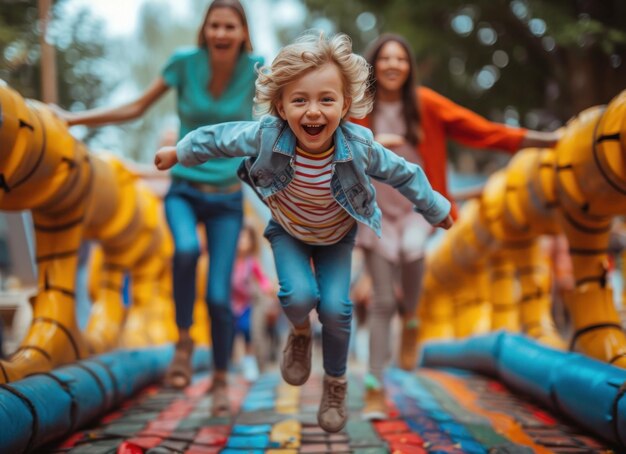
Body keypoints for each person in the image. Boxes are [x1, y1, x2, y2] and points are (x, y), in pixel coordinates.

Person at [155, 32, 453, 433]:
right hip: (290, 232)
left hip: (336, 238)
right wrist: (180, 151)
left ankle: (335, 380)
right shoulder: (267, 134)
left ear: (345, 105)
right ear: (281, 105)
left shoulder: (359, 144)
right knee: (298, 297)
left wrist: (434, 208)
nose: (313, 112)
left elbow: (404, 172)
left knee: (335, 308)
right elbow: (221, 138)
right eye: (300, 100)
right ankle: (298, 330)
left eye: (326, 100)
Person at [53, 0, 262, 416]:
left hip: (226, 200)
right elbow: (136, 107)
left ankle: (221, 379)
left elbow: (287, 105)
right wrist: (75, 120)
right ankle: (183, 342)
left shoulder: (257, 69)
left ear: (243, 33)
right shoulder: (183, 64)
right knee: (184, 251)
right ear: (205, 31)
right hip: (184, 189)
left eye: (230, 27)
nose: (221, 33)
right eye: (215, 25)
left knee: (220, 297)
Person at [350, 33, 561, 421]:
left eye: (401, 59)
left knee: (413, 255)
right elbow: (330, 142)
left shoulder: (425, 104)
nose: (393, 65)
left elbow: (480, 130)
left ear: (409, 67)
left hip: (417, 208)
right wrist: (373, 142)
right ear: (373, 65)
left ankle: (411, 320)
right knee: (380, 302)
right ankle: (375, 389)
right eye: (385, 59)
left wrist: (545, 141)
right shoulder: (357, 108)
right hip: (373, 210)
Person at [231, 222, 275, 382]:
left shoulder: (251, 262)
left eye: (245, 238)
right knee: (232, 334)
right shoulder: (230, 261)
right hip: (231, 304)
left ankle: (249, 361)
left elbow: (261, 278)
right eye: (239, 237)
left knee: (248, 331)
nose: (241, 241)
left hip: (246, 304)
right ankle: (236, 361)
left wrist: (268, 288)